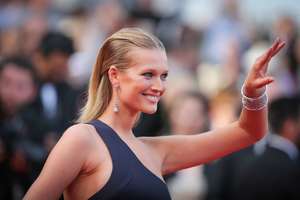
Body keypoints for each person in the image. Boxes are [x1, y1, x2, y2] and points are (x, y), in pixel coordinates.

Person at [24, 27, 285, 200]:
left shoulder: (155, 150)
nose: (159, 86)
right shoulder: (82, 138)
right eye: (147, 74)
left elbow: (249, 132)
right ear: (114, 75)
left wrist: (251, 93)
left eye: (164, 76)